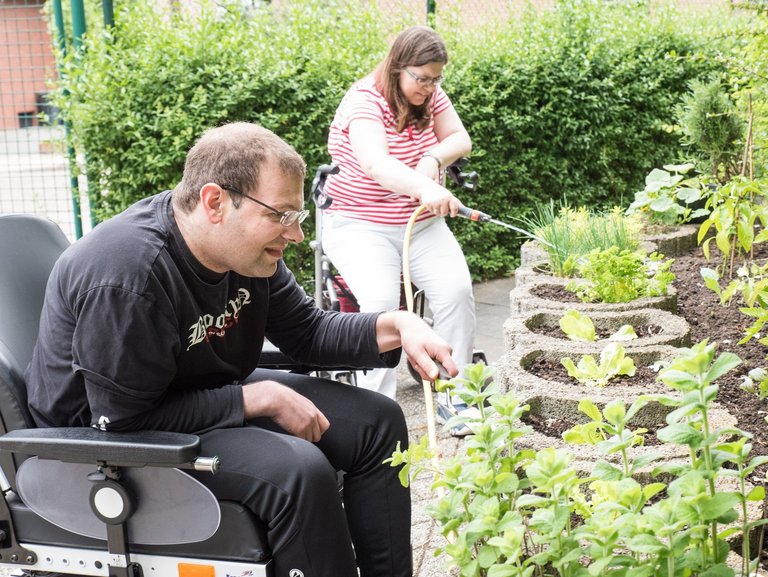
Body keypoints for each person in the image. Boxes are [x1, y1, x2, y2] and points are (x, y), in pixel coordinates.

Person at [24, 122, 459, 577]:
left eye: (297, 217)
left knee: (377, 423)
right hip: (98, 447)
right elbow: (125, 418)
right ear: (215, 202)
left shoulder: (250, 257)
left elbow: (308, 333)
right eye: (280, 215)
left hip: (190, 392)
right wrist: (256, 398)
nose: (293, 235)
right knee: (297, 471)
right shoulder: (129, 276)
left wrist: (398, 325)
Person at [321, 25, 476, 434]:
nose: (429, 87)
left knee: (456, 291)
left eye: (436, 78)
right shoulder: (363, 103)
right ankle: (375, 410)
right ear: (396, 68)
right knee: (381, 302)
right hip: (360, 227)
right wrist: (426, 186)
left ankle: (456, 399)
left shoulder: (430, 94)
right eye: (421, 78)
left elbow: (460, 138)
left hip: (421, 226)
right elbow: (376, 164)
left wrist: (431, 157)